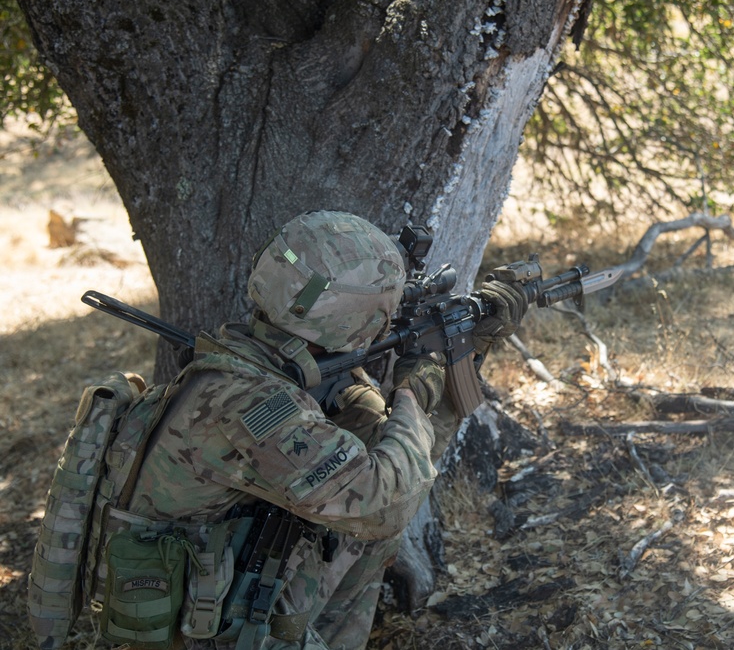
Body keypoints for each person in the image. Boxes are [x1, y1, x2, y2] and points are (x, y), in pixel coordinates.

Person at [123, 210, 527, 649]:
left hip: (216, 582)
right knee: (365, 519)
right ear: (351, 319)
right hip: (198, 627)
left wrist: (470, 346)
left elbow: (401, 469)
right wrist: (412, 394)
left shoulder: (254, 360)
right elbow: (384, 506)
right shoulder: (255, 405)